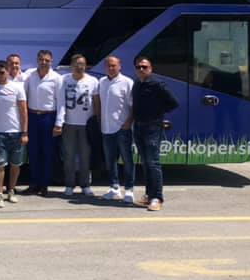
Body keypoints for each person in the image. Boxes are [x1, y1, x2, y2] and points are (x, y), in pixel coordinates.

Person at [132, 56, 178, 211]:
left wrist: (157, 114)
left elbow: (173, 103)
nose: (141, 69)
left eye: (144, 67)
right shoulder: (137, 83)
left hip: (152, 127)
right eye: (138, 67)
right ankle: (149, 195)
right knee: (145, 163)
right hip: (138, 127)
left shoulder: (157, 84)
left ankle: (157, 198)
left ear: (150, 69)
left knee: (153, 163)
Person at [55, 54, 98, 197]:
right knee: (69, 156)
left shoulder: (93, 81)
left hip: (86, 125)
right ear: (71, 65)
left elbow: (96, 102)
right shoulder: (64, 80)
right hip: (69, 124)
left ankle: (85, 185)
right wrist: (59, 122)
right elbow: (61, 102)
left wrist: (97, 121)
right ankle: (69, 184)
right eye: (77, 64)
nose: (79, 67)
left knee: (85, 155)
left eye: (82, 64)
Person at [0, 60, 28, 208]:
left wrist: (24, 132)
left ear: (8, 71)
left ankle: (11, 190)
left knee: (15, 165)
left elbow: (23, 112)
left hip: (16, 132)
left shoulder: (17, 88)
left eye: (2, 72)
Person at [94, 56, 135, 204]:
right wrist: (99, 120)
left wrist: (129, 122)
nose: (111, 68)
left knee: (127, 160)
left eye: (113, 65)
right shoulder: (102, 82)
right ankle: (114, 188)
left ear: (119, 66)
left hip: (122, 128)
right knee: (110, 161)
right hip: (106, 128)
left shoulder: (127, 82)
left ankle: (129, 190)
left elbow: (133, 105)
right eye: (108, 66)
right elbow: (98, 102)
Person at [23, 49, 63, 196]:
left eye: (47, 60)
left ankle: (45, 184)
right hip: (32, 117)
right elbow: (23, 96)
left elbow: (61, 103)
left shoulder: (57, 78)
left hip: (49, 118)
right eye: (41, 59)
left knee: (47, 152)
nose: (44, 62)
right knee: (33, 152)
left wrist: (59, 123)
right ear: (37, 60)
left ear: (51, 61)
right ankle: (34, 183)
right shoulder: (30, 75)